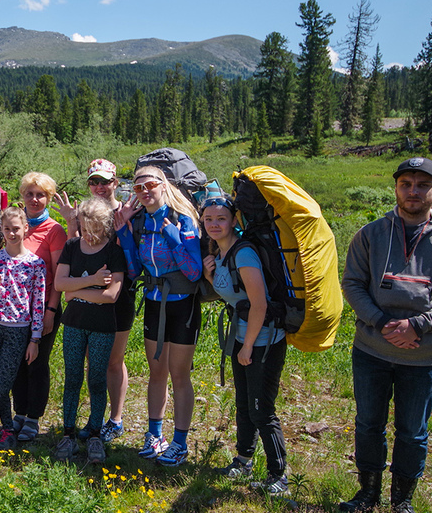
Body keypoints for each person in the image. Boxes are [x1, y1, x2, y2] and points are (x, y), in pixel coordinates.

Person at [339, 158, 432, 513]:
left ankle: (402, 501)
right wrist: (382, 322)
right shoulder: (370, 234)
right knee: (368, 423)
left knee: (412, 430)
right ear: (396, 188)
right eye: (406, 184)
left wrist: (416, 325)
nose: (413, 191)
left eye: (422, 185)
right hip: (371, 349)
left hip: (423, 355)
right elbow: (352, 283)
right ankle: (367, 494)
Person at [201, 194, 290, 495]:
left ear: (235, 220)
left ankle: (279, 476)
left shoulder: (244, 253)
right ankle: (243, 459)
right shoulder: (222, 253)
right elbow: (233, 293)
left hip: (263, 340)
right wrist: (209, 277)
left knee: (261, 409)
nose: (214, 224)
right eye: (209, 219)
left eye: (221, 218)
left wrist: (248, 347)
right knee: (244, 404)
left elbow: (259, 304)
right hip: (243, 337)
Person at [115, 166, 204, 467]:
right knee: (156, 373)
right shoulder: (140, 222)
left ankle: (179, 442)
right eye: (139, 188)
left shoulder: (183, 220)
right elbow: (135, 271)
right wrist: (124, 236)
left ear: (163, 186)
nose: (145, 191)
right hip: (154, 303)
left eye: (150, 185)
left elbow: (194, 272)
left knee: (179, 375)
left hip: (182, 305)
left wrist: (175, 239)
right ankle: (155, 435)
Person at [54, 158, 135, 444]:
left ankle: (115, 419)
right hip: (86, 297)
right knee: (90, 363)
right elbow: (75, 252)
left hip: (118, 294)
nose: (100, 187)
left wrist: (126, 225)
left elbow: (131, 255)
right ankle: (93, 420)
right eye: (94, 181)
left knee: (113, 361)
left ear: (115, 183)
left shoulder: (126, 211)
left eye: (105, 181)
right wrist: (71, 221)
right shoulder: (84, 213)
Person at [0, 206, 45, 451]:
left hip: (19, 329)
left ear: (26, 228)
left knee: (4, 382)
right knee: (0, 383)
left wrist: (35, 338)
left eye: (16, 228)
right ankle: (6, 430)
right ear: (1, 231)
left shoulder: (36, 264)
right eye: (7, 229)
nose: (12, 233)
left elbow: (38, 302)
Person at [10, 172, 66, 443]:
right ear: (22, 196)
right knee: (17, 363)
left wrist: (51, 312)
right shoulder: (14, 225)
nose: (34, 199)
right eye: (30, 194)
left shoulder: (54, 231)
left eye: (40, 195)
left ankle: (33, 417)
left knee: (37, 363)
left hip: (43, 308)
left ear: (49, 198)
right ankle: (19, 412)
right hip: (15, 309)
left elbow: (58, 276)